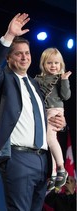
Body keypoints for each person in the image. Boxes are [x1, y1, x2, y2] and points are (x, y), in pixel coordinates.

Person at [0, 13, 67, 211]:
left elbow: (49, 111)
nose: (24, 57)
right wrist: (9, 35)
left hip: (41, 159)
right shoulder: (4, 80)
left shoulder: (36, 84)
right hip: (17, 157)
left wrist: (60, 121)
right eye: (18, 53)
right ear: (9, 58)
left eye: (27, 53)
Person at [35, 47, 71, 191]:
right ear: (43, 64)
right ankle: (54, 174)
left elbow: (66, 96)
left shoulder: (60, 78)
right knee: (49, 141)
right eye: (50, 63)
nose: (53, 66)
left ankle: (62, 168)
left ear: (61, 64)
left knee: (50, 139)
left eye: (56, 63)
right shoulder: (38, 79)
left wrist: (65, 80)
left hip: (55, 111)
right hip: (45, 111)